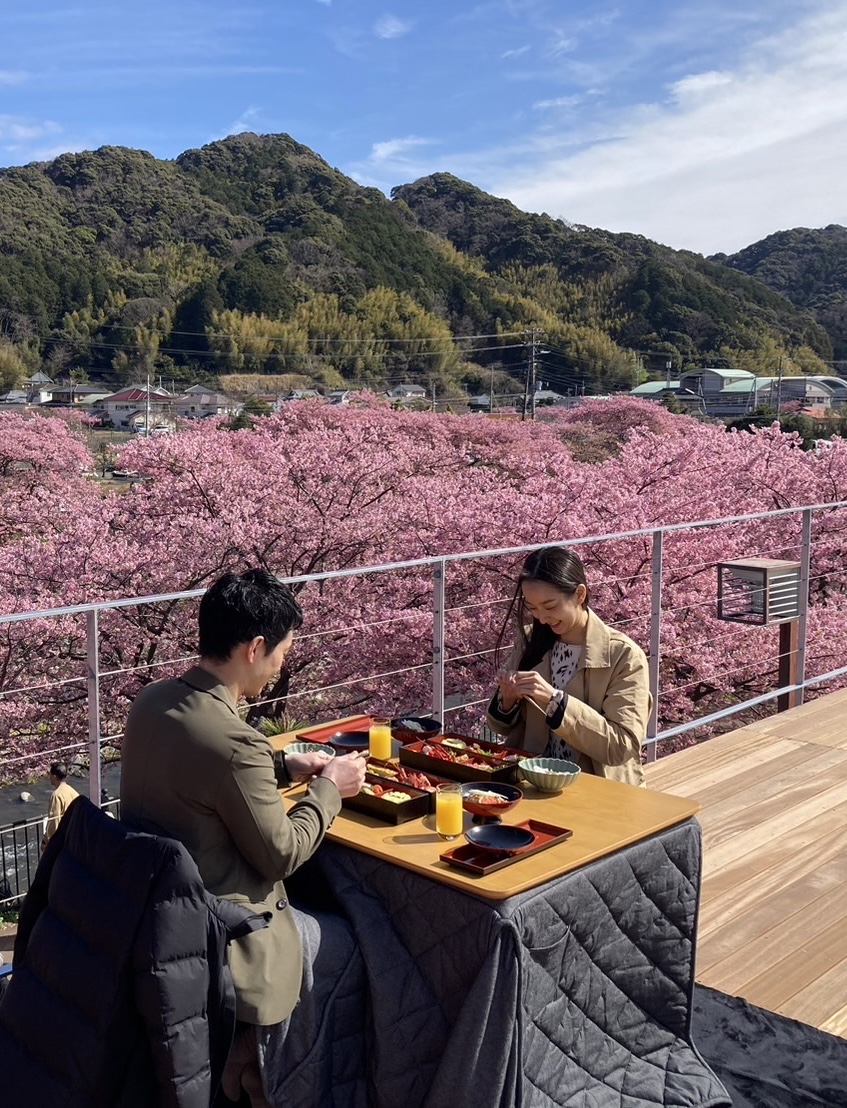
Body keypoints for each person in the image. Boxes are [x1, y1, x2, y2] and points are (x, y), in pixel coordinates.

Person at [120, 568, 367, 1107]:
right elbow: (282, 853)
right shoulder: (236, 742)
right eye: (281, 653)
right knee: (357, 948)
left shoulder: (150, 703)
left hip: (157, 915)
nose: (281, 667)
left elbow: (202, 777)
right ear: (256, 647)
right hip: (228, 934)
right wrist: (330, 789)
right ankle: (284, 1076)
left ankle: (251, 1062)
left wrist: (281, 764)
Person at [486, 546, 651, 786]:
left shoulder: (623, 655)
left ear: (580, 594)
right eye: (532, 608)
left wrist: (556, 702)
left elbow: (621, 746)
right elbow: (499, 726)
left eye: (550, 606)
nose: (541, 617)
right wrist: (507, 702)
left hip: (596, 788)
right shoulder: (531, 640)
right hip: (531, 781)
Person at [40, 762, 79, 853]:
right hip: (75, 834)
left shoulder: (56, 795)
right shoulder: (71, 790)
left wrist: (46, 840)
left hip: (64, 839)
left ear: (54, 776)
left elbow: (54, 820)